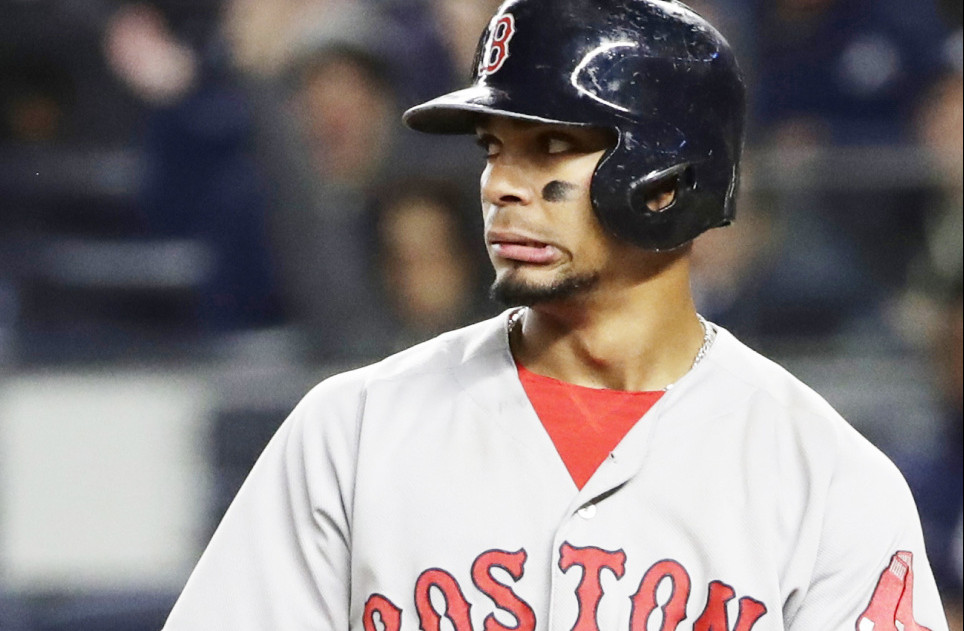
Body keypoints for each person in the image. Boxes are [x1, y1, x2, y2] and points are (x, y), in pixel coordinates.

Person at [163, 1, 949, 629]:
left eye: (548, 148)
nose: (501, 184)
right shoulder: (349, 434)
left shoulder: (823, 478)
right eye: (492, 147)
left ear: (672, 178)